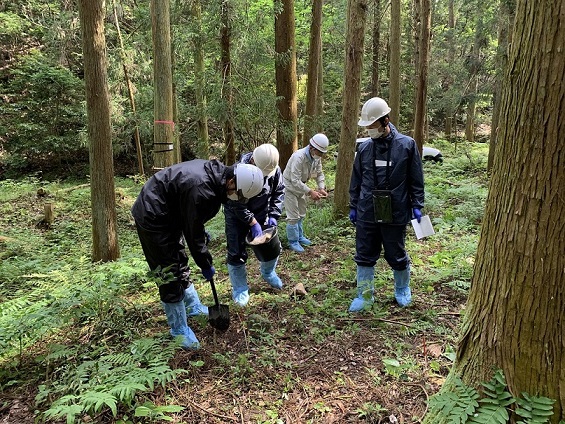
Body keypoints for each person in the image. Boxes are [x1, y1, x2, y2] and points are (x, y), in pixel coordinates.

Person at [131, 160, 264, 349]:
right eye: (238, 193)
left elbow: (192, 221)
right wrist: (205, 264)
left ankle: (192, 306)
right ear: (231, 181)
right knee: (166, 270)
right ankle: (178, 330)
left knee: (180, 258)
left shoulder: (215, 179)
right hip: (153, 214)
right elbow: (193, 236)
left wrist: (197, 228)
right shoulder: (201, 189)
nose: (236, 197)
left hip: (170, 213)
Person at [348, 97, 424, 311]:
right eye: (367, 127)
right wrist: (353, 205)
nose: (369, 130)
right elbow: (356, 179)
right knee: (364, 253)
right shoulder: (364, 149)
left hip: (397, 209)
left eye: (372, 126)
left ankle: (402, 289)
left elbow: (415, 178)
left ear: (385, 121)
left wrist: (417, 204)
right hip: (367, 210)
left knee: (396, 253)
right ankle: (364, 295)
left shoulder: (406, 145)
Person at [224, 143, 285, 306]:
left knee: (271, 247)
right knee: (236, 252)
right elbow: (236, 204)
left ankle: (268, 273)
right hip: (236, 216)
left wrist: (273, 215)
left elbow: (279, 192)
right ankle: (240, 289)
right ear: (252, 161)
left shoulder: (273, 168)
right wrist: (252, 222)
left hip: (262, 212)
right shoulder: (237, 172)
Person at [282, 133, 329, 253]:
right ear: (312, 148)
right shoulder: (299, 157)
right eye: (320, 153)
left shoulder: (315, 158)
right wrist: (310, 192)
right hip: (290, 186)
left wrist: (321, 187)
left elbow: (319, 173)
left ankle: (300, 237)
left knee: (302, 213)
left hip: (302, 186)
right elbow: (294, 180)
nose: (321, 155)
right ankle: (293, 241)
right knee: (293, 216)